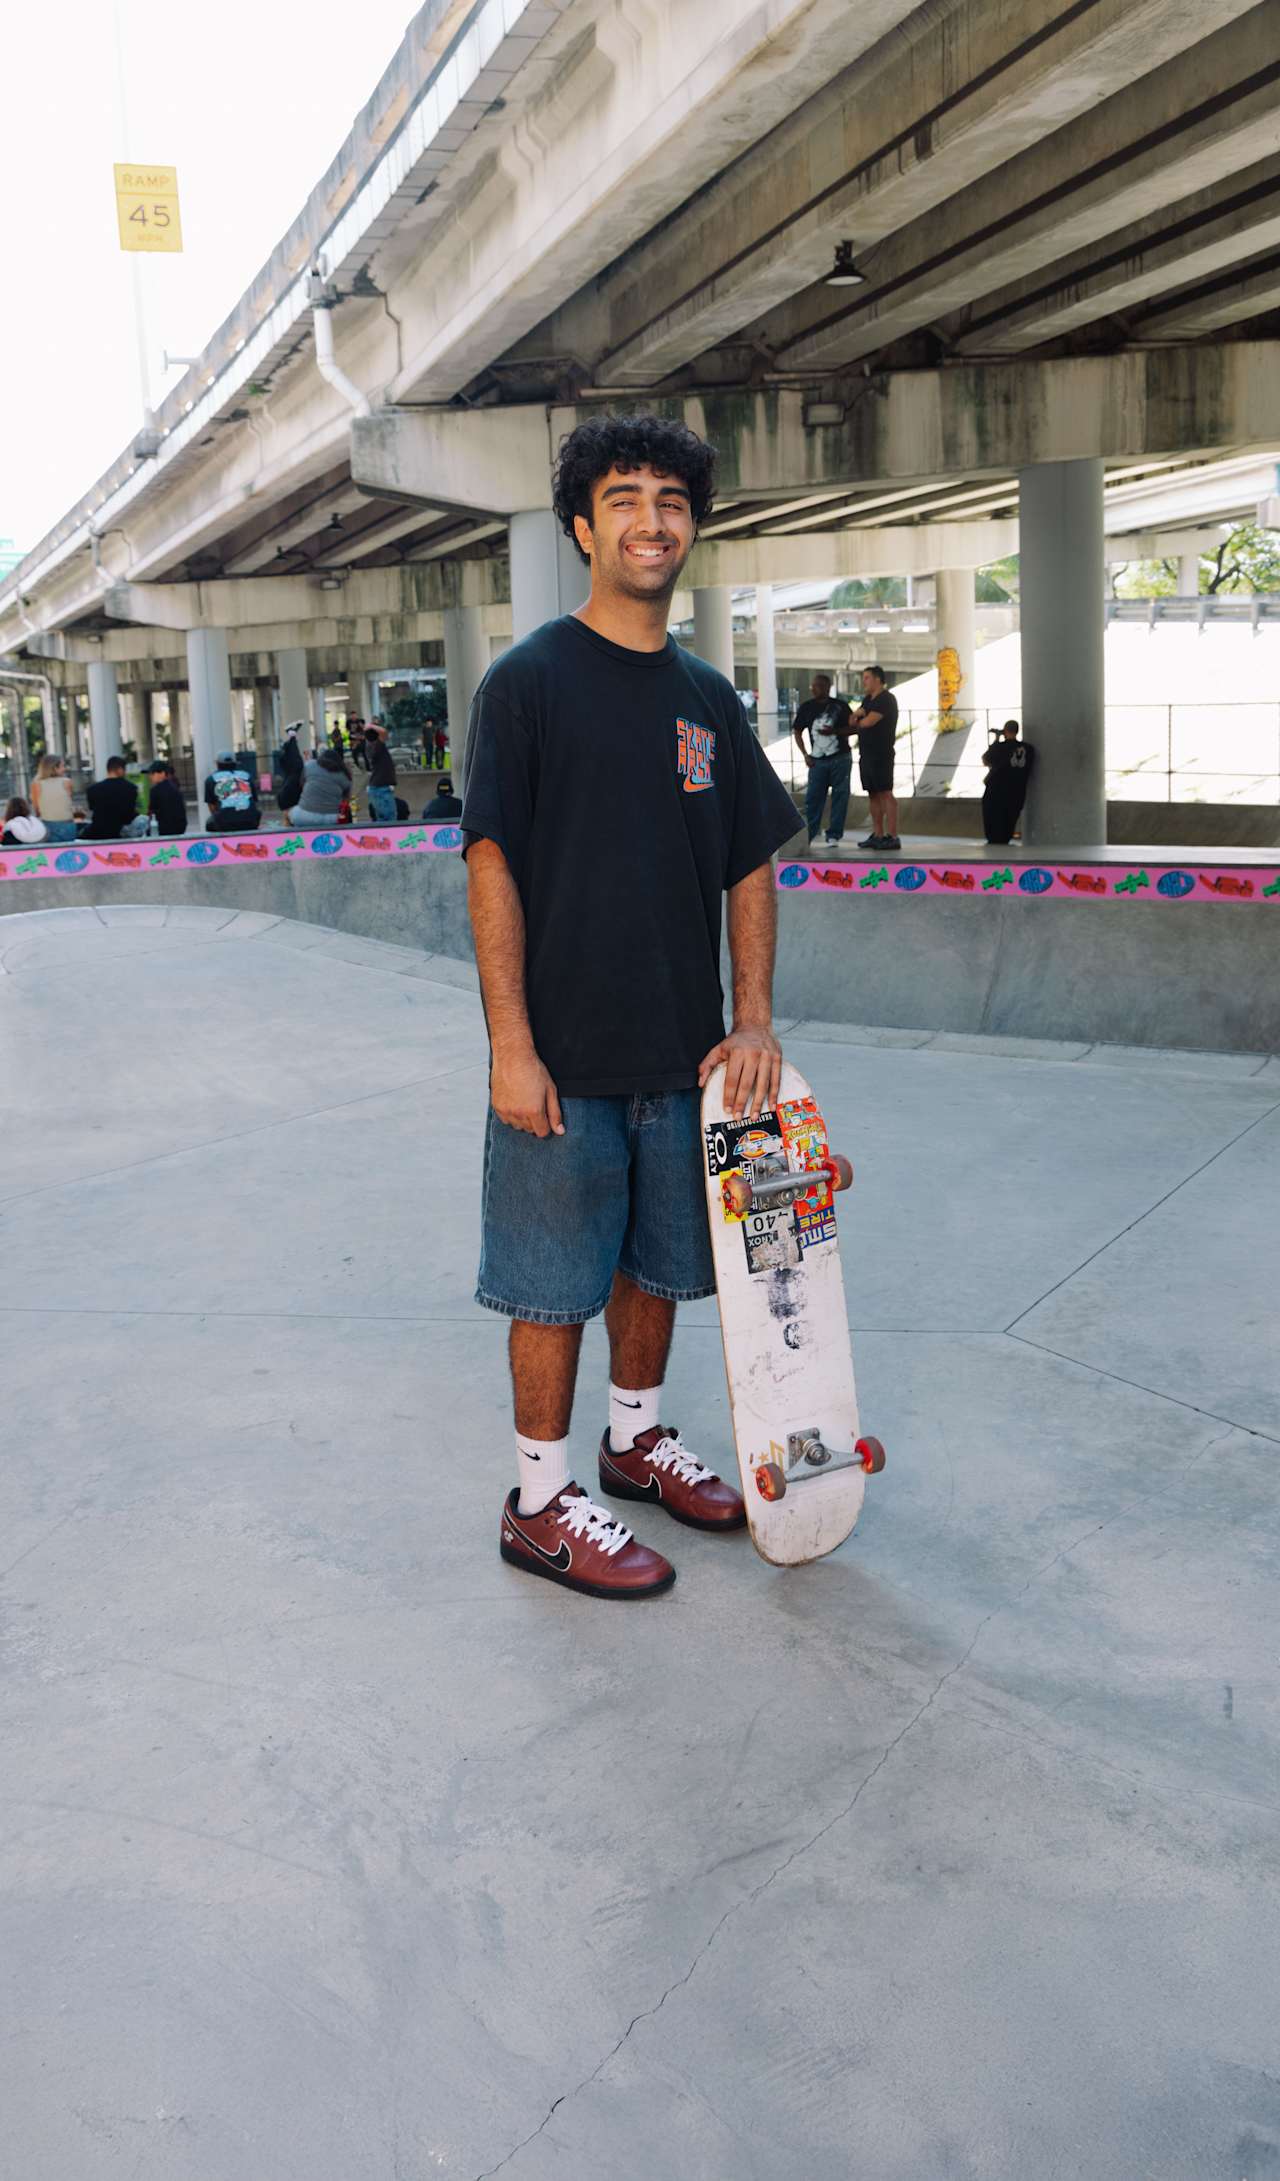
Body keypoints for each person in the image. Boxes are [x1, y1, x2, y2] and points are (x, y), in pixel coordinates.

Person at [463, 411, 799, 1601]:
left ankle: (634, 1440)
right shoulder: (528, 683)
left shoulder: (708, 697)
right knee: (551, 1283)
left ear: (690, 525)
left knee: (655, 1268)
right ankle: (541, 1502)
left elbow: (750, 858)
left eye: (669, 499)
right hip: (558, 1056)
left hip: (682, 1054)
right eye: (623, 499)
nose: (650, 519)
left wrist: (750, 1019)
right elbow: (491, 861)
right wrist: (510, 1043)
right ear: (579, 526)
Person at [792, 673, 853, 846]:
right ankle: (810, 833)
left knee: (840, 796)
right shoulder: (806, 707)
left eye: (818, 686)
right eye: (812, 686)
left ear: (827, 687)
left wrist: (834, 732)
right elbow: (797, 731)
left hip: (841, 757)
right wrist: (805, 754)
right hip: (816, 760)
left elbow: (854, 728)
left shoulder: (840, 706)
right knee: (813, 798)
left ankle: (834, 834)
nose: (814, 689)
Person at [851, 665, 900, 851]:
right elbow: (852, 720)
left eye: (867, 678)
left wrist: (860, 718)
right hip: (867, 753)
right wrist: (857, 717)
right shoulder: (867, 700)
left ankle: (893, 836)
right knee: (872, 793)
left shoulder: (886, 699)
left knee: (885, 792)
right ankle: (878, 834)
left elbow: (867, 722)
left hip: (882, 753)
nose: (864, 681)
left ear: (878, 679)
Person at [982, 719, 1035, 844]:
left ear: (1005, 731)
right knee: (1009, 821)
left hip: (995, 791)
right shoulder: (1029, 749)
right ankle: (1005, 840)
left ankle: (994, 841)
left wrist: (996, 739)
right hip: (1016, 792)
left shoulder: (999, 747)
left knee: (993, 821)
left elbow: (986, 760)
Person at [288, 746, 350, 827]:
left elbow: (302, 785)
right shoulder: (345, 776)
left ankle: (288, 837)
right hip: (332, 819)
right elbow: (345, 800)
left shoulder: (310, 765)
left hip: (303, 816)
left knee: (288, 814)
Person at [203, 750, 259, 834]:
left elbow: (212, 806)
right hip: (250, 821)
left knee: (209, 823)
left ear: (217, 764)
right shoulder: (247, 776)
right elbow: (254, 801)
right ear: (235, 763)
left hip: (224, 823)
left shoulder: (211, 779)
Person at [84, 755, 139, 840]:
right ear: (120, 769)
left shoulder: (92, 789)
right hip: (121, 832)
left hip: (98, 832)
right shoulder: (131, 788)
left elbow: (92, 808)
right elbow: (130, 813)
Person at [30, 756, 80, 843]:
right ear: (54, 768)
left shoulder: (36, 785)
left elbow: (37, 809)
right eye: (62, 766)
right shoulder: (67, 782)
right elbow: (68, 803)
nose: (65, 769)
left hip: (48, 826)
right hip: (68, 825)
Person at [364, 721, 399, 822]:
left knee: (384, 818)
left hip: (378, 787)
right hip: (381, 788)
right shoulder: (377, 746)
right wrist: (371, 725)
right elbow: (384, 732)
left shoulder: (371, 746)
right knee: (390, 818)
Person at [146, 758, 187, 836]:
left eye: (153, 773)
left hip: (162, 830)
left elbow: (152, 812)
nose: (150, 777)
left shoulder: (155, 790)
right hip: (179, 829)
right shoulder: (175, 788)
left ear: (162, 773)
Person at [273, 723, 305, 810]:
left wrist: (292, 738)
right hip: (291, 801)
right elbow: (295, 753)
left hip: (285, 799)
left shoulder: (285, 760)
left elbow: (293, 751)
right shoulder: (296, 767)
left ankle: (291, 734)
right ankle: (291, 733)